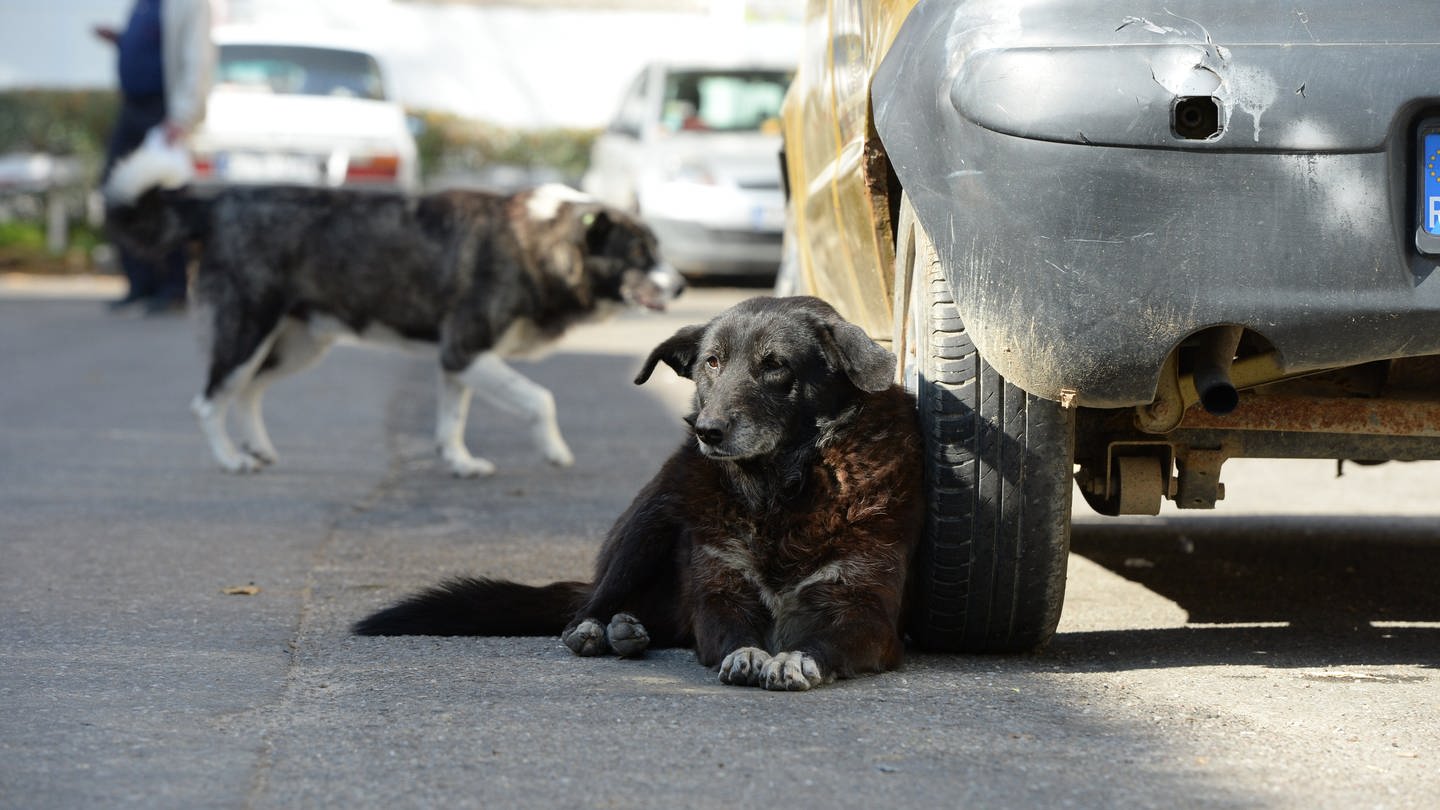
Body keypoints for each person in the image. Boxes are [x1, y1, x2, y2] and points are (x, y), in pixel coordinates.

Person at [95, 0, 214, 315]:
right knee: (116, 190)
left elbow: (197, 58)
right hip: (132, 108)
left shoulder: (188, 4)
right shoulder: (144, 4)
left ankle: (173, 288)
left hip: (162, 110)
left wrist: (184, 115)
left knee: (164, 198)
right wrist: (121, 40)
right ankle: (140, 283)